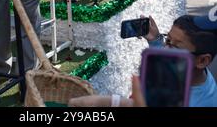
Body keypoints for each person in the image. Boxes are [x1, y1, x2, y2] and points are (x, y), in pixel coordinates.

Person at [68, 14, 217, 107]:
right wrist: (156, 40)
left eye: (175, 46)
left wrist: (106, 103)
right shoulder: (194, 75)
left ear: (203, 60)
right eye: (168, 40)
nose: (164, 49)